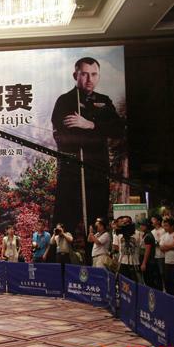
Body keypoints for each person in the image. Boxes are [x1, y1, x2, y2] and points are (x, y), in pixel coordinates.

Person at [51, 57, 125, 233]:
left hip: (98, 169)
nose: (89, 79)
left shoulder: (104, 100)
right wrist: (98, 134)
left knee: (98, 220)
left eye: (94, 74)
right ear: (75, 75)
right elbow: (64, 136)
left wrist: (90, 124)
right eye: (84, 74)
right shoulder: (65, 101)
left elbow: (118, 129)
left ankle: (95, 250)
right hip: (72, 170)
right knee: (65, 221)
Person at [159, 218, 174, 294]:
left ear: (172, 226)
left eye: (166, 226)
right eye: (164, 226)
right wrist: (170, 246)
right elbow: (161, 248)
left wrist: (166, 246)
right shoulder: (163, 236)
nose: (164, 227)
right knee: (167, 280)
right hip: (167, 261)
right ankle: (169, 295)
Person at [113, 216, 140, 282]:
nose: (126, 224)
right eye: (124, 222)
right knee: (123, 281)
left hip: (134, 261)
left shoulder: (137, 233)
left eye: (128, 222)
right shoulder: (119, 233)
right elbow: (116, 246)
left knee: (134, 281)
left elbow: (139, 245)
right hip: (122, 261)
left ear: (131, 222)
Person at [150, 215, 166, 291]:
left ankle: (165, 287)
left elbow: (163, 242)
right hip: (154, 255)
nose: (152, 221)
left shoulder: (163, 230)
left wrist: (156, 243)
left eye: (154, 220)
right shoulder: (152, 231)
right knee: (156, 273)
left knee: (162, 273)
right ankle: (158, 288)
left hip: (162, 255)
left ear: (159, 221)